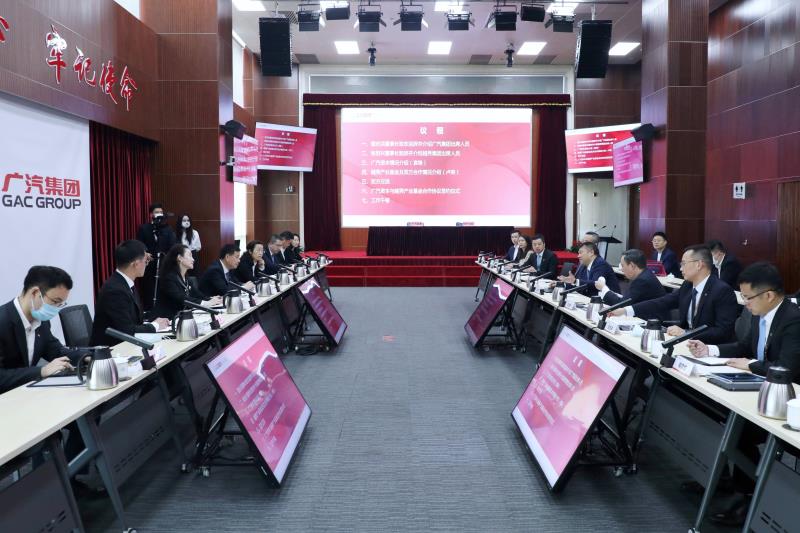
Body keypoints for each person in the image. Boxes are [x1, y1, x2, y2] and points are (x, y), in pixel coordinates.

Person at [687, 262, 800, 526]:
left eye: (748, 298)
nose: (744, 303)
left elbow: (787, 368)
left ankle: (746, 494)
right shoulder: (761, 314)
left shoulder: (793, 320)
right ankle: (725, 478)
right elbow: (746, 347)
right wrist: (710, 350)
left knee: (740, 430)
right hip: (760, 390)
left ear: (768, 295)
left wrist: (750, 365)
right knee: (712, 410)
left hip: (786, 401)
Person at [613, 244, 738, 344]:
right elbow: (662, 302)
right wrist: (627, 310)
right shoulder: (687, 286)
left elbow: (723, 332)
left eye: (683, 263)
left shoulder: (722, 291)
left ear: (699, 264)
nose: (680, 268)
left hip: (708, 348)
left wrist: (686, 333)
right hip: (686, 343)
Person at [0, 266, 80, 393]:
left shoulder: (41, 321)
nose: (56, 308)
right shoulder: (3, 320)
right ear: (35, 293)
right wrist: (41, 371)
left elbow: (56, 351)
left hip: (25, 393)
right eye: (55, 302)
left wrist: (88, 356)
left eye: (60, 304)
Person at [91, 240, 171, 347]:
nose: (146, 265)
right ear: (136, 264)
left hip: (125, 344)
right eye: (146, 261)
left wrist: (157, 318)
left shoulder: (124, 283)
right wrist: (155, 325)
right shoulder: (115, 290)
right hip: (112, 349)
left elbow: (134, 317)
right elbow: (127, 331)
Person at [152, 244, 222, 319]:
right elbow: (181, 298)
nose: (193, 259)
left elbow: (197, 294)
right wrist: (206, 303)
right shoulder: (168, 278)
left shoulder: (186, 278)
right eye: (190, 255)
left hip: (182, 317)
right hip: (167, 319)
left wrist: (211, 299)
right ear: (180, 258)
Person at [595, 249, 668, 319]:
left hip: (654, 322)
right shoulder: (644, 274)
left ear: (632, 266)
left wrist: (604, 288)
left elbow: (621, 304)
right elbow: (627, 299)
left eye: (623, 266)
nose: (621, 269)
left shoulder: (642, 280)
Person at [136, 203, 177, 309]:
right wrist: (145, 253)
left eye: (161, 212)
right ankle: (149, 309)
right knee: (149, 289)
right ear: (151, 214)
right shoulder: (144, 228)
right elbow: (139, 244)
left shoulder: (167, 229)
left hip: (164, 264)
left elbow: (172, 246)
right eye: (156, 212)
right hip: (149, 264)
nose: (159, 214)